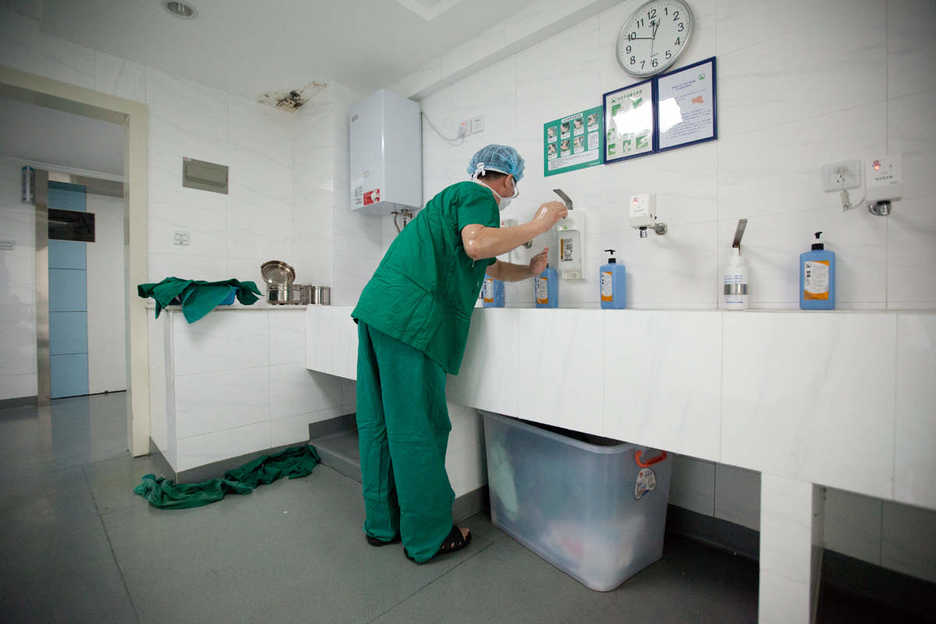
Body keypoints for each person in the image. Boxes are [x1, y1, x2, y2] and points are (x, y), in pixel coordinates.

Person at [350, 144, 568, 563]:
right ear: (507, 180)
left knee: (378, 421)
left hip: (382, 312)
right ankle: (428, 536)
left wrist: (529, 271)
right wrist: (539, 222)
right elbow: (476, 245)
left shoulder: (451, 202)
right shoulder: (477, 196)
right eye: (513, 185)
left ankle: (383, 523)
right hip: (412, 322)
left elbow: (485, 262)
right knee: (418, 427)